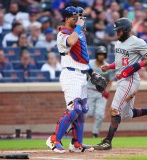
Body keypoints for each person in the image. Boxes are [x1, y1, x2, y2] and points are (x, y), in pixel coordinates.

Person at [93, 18, 147, 150]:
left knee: (115, 108)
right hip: (121, 79)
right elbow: (122, 62)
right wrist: (109, 66)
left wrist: (136, 66)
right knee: (126, 114)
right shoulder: (118, 43)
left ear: (126, 29)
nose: (117, 33)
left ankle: (107, 141)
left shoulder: (137, 42)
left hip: (130, 80)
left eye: (119, 30)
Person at [45, 6, 94, 153]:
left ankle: (76, 144)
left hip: (82, 74)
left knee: (83, 110)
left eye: (80, 17)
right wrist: (79, 27)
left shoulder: (80, 33)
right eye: (75, 17)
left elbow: (82, 57)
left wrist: (92, 72)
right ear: (67, 19)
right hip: (70, 74)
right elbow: (71, 42)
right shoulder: (62, 33)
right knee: (74, 109)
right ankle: (54, 140)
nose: (79, 20)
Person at [87, 46, 114, 138]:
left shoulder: (107, 66)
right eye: (99, 54)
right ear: (96, 55)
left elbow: (110, 80)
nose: (101, 56)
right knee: (89, 113)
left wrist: (107, 90)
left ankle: (95, 133)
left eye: (103, 54)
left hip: (101, 92)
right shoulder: (90, 64)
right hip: (90, 90)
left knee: (100, 114)